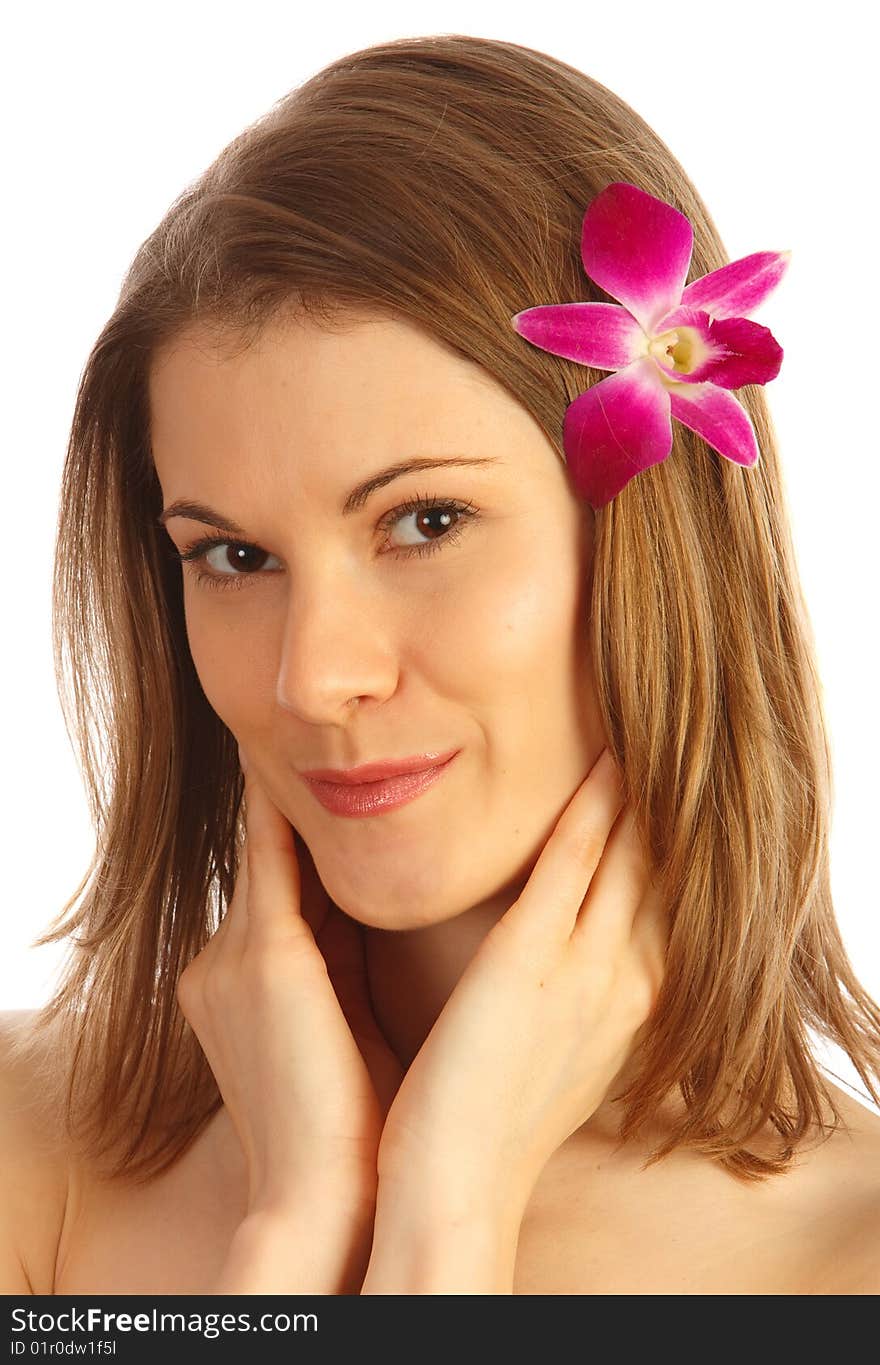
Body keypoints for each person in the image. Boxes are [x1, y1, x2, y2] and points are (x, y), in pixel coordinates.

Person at [2, 32, 880, 1297]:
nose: (315, 679)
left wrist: (450, 1211)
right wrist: (297, 1230)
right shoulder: (31, 1158)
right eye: (236, 557)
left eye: (424, 523)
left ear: (651, 550)